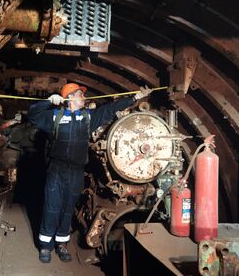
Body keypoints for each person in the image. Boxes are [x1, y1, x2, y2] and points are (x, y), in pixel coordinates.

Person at [27, 83, 154, 263]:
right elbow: (33, 116)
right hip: (57, 171)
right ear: (70, 97)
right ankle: (45, 247)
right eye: (80, 94)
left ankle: (61, 245)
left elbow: (110, 109)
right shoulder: (55, 116)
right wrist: (47, 102)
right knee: (51, 207)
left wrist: (135, 97)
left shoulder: (88, 118)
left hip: (77, 172)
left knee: (67, 210)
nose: (84, 98)